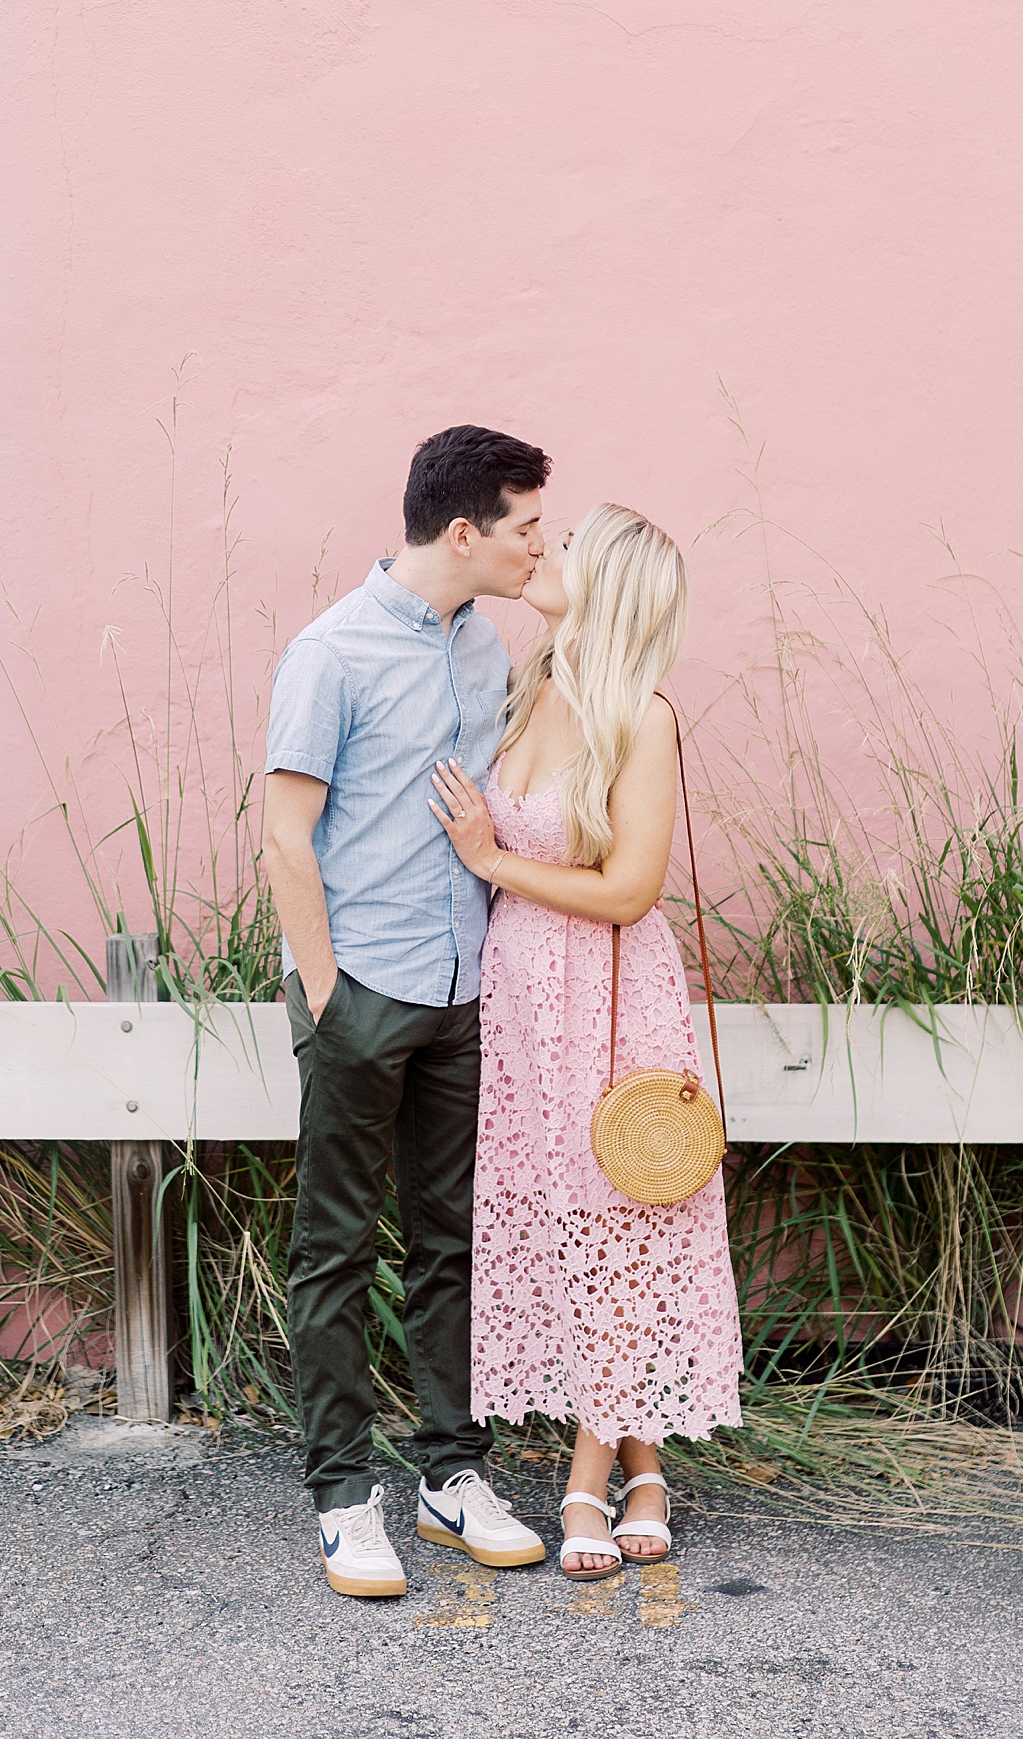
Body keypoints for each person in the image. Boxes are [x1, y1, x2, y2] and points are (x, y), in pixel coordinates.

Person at [261, 425, 553, 1598]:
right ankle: (341, 1495)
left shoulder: (485, 648)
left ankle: (452, 1473)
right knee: (333, 1249)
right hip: (363, 992)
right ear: (464, 531)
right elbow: (287, 835)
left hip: (462, 990)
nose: (541, 546)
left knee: (451, 1242)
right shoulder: (328, 654)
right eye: (527, 527)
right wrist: (327, 996)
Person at [429, 503, 744, 1580]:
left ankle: (586, 1478)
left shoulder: (641, 716)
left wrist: (489, 859)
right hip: (522, 1008)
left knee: (623, 1216)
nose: (541, 555)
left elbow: (627, 890)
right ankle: (645, 1471)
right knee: (577, 1223)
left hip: (609, 996)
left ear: (602, 586)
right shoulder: (526, 690)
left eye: (564, 549)